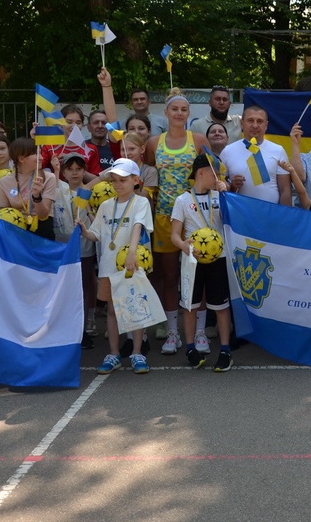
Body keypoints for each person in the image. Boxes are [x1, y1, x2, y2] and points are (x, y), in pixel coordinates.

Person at [144, 90, 211, 353]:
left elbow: (211, 172)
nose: (179, 113)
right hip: (164, 216)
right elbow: (149, 175)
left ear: (188, 113)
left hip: (195, 215)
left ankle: (200, 332)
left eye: (184, 109)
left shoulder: (198, 139)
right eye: (175, 109)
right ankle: (173, 332)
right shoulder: (153, 143)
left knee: (198, 276)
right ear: (166, 112)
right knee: (170, 277)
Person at [79, 158, 154, 375]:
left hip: (131, 264)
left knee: (134, 309)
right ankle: (113, 354)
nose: (118, 184)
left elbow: (138, 227)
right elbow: (96, 234)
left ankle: (137, 352)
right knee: (112, 311)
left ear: (135, 180)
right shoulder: (105, 205)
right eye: (114, 180)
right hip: (108, 266)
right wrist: (84, 230)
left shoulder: (140, 202)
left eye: (123, 180)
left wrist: (132, 251)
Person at [171, 154, 233, 372]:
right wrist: (183, 245)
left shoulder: (219, 196)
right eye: (214, 173)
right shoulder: (182, 200)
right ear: (201, 173)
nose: (218, 178)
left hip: (218, 258)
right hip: (192, 259)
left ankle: (225, 350)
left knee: (221, 306)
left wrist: (226, 194)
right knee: (190, 305)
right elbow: (174, 235)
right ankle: (190, 348)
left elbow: (233, 219)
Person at [54, 152, 98, 347]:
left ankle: (84, 325)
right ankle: (67, 325)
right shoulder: (59, 189)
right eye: (70, 169)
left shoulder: (91, 191)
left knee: (84, 284)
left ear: (84, 171)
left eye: (78, 169)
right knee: (66, 286)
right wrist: (55, 169)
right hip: (62, 244)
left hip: (84, 245)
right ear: (64, 172)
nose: (74, 173)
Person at [219, 106, 292, 205]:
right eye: (250, 121)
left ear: (266, 125)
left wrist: (284, 214)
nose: (255, 125)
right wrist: (232, 186)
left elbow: (285, 190)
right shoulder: (227, 151)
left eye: (260, 121)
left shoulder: (278, 150)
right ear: (241, 123)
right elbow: (219, 186)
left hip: (270, 212)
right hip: (238, 211)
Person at [0, 137, 59, 240]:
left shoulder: (48, 177)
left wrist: (37, 197)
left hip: (42, 232)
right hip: (16, 232)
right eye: (36, 154)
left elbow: (43, 215)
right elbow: (3, 212)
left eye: (40, 153)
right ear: (21, 159)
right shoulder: (4, 181)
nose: (41, 158)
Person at [38, 104, 101, 178]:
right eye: (69, 122)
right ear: (60, 124)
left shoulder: (90, 149)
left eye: (78, 123)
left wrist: (75, 164)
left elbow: (97, 179)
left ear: (82, 125)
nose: (74, 126)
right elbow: (35, 170)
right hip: (56, 185)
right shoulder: (49, 147)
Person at [121, 132, 158, 203]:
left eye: (132, 149)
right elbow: (100, 178)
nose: (127, 153)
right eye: (123, 149)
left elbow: (143, 197)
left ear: (142, 149)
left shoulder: (150, 171)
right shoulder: (117, 169)